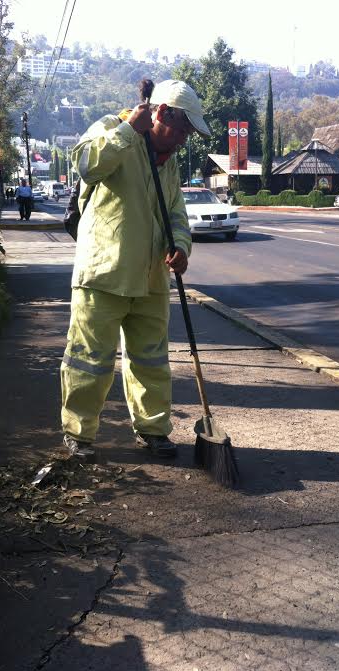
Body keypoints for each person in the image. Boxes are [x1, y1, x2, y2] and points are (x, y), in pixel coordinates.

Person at [60, 79, 211, 462]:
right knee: (89, 360)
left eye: (188, 134)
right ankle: (79, 434)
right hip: (103, 273)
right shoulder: (112, 128)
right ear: (161, 113)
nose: (183, 141)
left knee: (151, 361)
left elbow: (176, 213)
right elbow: (84, 165)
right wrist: (129, 132)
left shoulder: (170, 162)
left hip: (151, 278)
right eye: (182, 130)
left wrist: (181, 246)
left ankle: (154, 430)